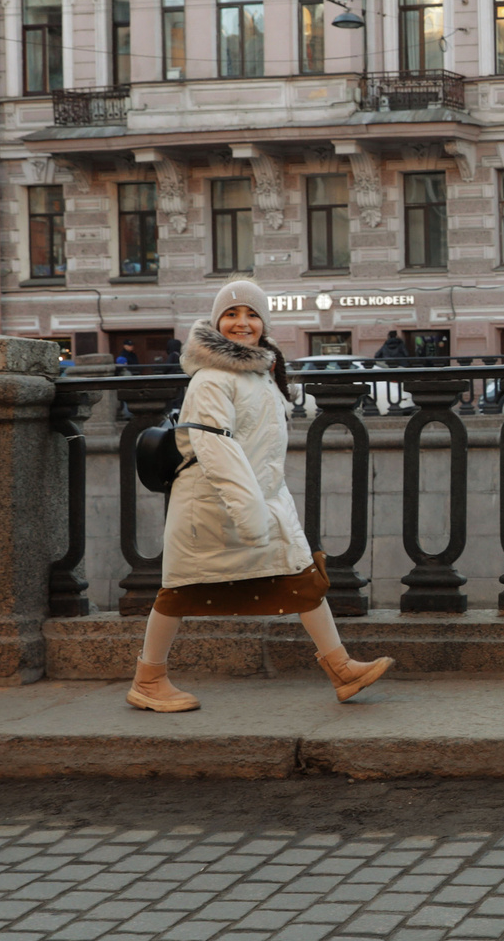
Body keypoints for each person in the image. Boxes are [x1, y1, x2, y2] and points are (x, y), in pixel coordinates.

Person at [126, 281, 391, 714]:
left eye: (251, 314)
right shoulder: (213, 378)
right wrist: (251, 513)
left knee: (304, 581)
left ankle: (341, 668)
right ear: (216, 323)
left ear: (264, 322)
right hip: (211, 505)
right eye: (231, 315)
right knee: (178, 592)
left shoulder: (256, 373)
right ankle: (148, 680)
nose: (241, 323)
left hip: (259, 500)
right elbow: (216, 450)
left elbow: (260, 449)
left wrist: (270, 506)